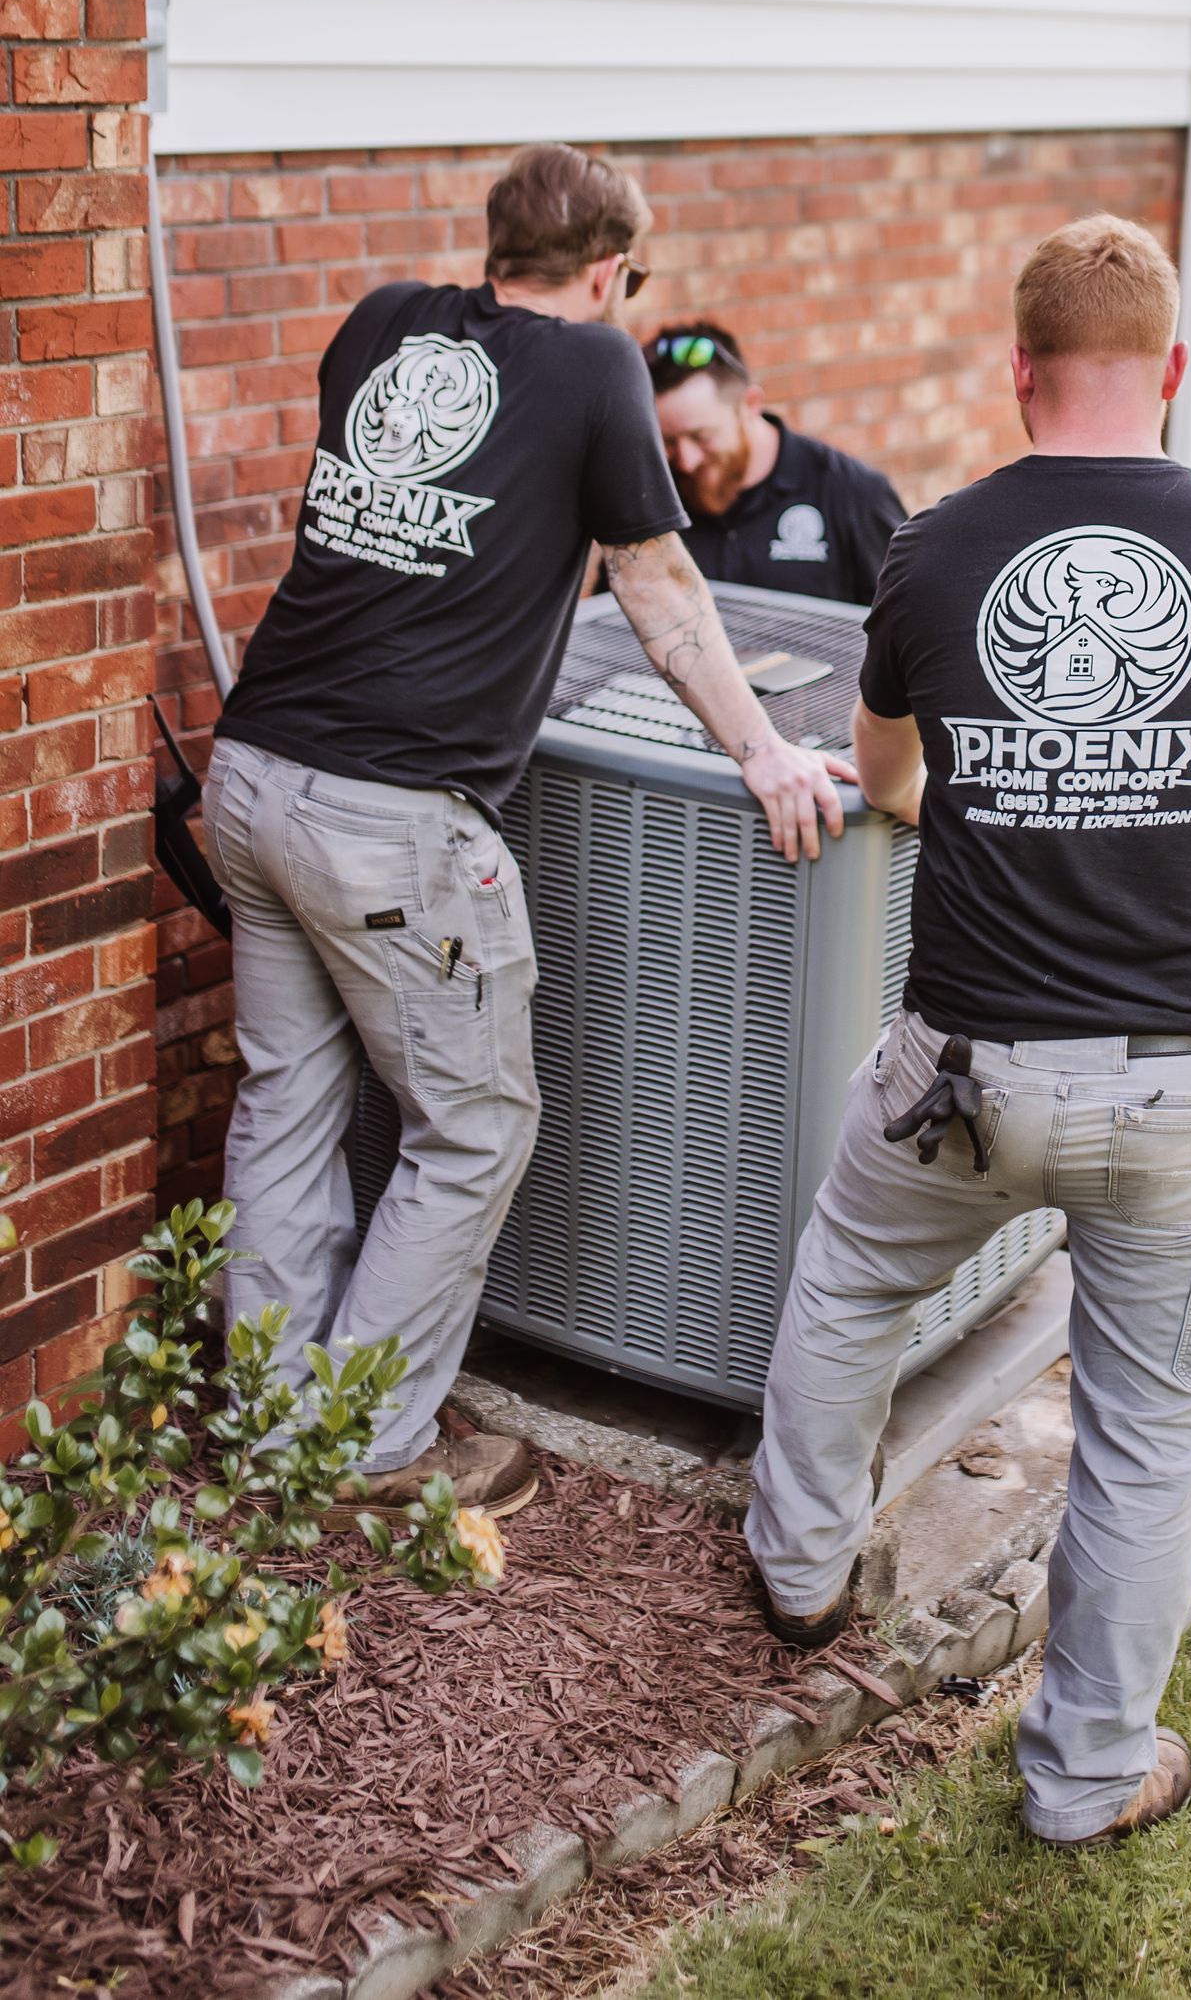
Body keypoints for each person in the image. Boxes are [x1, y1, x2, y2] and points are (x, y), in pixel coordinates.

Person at [746, 216, 1191, 1845]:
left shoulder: (936, 550)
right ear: (1171, 371)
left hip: (967, 1066)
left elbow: (884, 781)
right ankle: (1089, 1776)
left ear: (1019, 373)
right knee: (1147, 1439)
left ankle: (803, 1571)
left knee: (846, 1285)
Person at [204, 147, 849, 1522]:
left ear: (492, 242)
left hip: (253, 776)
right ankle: (367, 1447)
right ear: (614, 272)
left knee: (286, 1107)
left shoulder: (382, 322)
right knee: (473, 1124)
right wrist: (765, 747)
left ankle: (266, 1431)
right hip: (391, 821)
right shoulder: (598, 366)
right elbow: (661, 584)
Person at [643, 320, 906, 605]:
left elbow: (912, 621)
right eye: (667, 441)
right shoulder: (651, 497)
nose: (686, 461)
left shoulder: (852, 494)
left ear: (751, 404)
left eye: (701, 436)